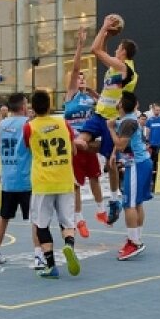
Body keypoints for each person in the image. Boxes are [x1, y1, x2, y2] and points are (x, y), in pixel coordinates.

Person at [74, 14, 137, 226]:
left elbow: (95, 50)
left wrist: (104, 27)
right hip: (99, 114)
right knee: (80, 142)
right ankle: (98, 149)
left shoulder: (125, 68)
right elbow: (102, 49)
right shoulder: (114, 68)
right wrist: (108, 36)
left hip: (112, 120)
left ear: (124, 52)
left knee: (111, 163)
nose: (116, 50)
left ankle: (114, 199)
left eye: (118, 47)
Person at [23, 89, 80, 279]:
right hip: (64, 179)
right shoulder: (63, 123)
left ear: (32, 107)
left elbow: (28, 148)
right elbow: (74, 151)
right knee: (67, 222)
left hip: (43, 182)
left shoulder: (29, 127)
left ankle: (50, 265)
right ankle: (69, 245)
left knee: (41, 224)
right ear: (49, 105)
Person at [0, 93, 43, 269]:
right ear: (23, 106)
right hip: (27, 180)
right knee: (36, 219)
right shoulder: (29, 124)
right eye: (27, 104)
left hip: (8, 180)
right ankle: (39, 256)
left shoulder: (2, 125)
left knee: (3, 217)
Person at [63, 28, 105, 232]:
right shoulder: (71, 95)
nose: (80, 79)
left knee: (95, 178)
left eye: (83, 77)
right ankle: (79, 219)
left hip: (88, 143)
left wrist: (93, 92)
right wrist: (80, 45)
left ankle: (101, 210)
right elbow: (75, 68)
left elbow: (107, 106)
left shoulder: (90, 98)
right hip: (74, 145)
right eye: (78, 77)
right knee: (76, 184)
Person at [113, 91, 153, 261]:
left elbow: (120, 145)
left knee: (128, 204)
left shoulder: (128, 122)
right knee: (137, 203)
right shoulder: (128, 120)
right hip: (141, 162)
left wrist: (109, 129)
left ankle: (134, 242)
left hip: (136, 164)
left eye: (119, 101)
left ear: (121, 105)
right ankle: (135, 238)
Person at [145, 101, 160, 191]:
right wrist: (147, 142)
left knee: (159, 164)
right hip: (151, 145)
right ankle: (150, 183)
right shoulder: (149, 120)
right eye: (156, 110)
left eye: (159, 110)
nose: (157, 111)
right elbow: (147, 131)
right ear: (153, 110)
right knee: (151, 165)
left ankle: (158, 184)